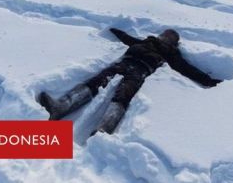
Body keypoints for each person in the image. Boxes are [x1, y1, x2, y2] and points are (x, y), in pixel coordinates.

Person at [38, 28, 222, 135]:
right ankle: (61, 107)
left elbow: (187, 69)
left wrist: (208, 80)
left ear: (172, 42)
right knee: (97, 80)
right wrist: (116, 31)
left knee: (124, 94)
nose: (163, 38)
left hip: (140, 70)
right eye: (164, 35)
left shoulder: (172, 54)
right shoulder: (146, 41)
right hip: (123, 63)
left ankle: (104, 128)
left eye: (168, 37)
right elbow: (128, 39)